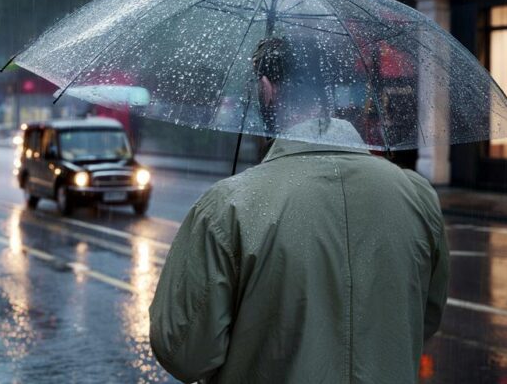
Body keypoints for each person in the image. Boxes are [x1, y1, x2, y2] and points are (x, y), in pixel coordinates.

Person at [149, 35, 450, 384]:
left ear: (266, 88)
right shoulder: (416, 197)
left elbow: (185, 353)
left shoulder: (229, 206)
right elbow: (424, 318)